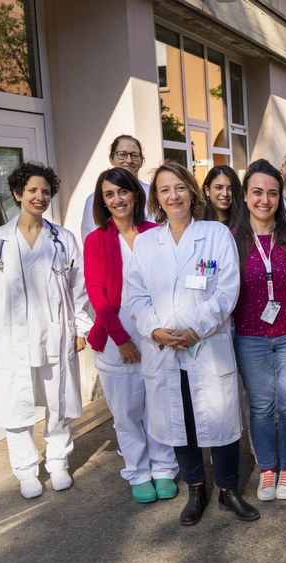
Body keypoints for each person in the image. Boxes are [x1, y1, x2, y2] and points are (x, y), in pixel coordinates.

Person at [125, 161, 259, 526]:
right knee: (178, 419)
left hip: (207, 345)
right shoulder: (147, 242)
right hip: (164, 350)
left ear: (191, 191)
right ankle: (196, 489)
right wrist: (155, 330)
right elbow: (135, 296)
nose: (173, 196)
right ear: (156, 198)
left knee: (220, 418)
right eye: (165, 190)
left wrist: (196, 328)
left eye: (179, 188)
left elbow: (228, 289)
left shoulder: (216, 234)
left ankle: (229, 491)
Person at [0, 162, 92, 499]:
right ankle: (25, 470)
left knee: (58, 402)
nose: (40, 197)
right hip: (11, 338)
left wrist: (81, 327)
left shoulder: (63, 239)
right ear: (18, 194)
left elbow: (77, 288)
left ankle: (58, 462)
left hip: (55, 333)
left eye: (46, 191)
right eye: (33, 190)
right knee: (16, 404)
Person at [84, 167, 178, 504]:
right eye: (109, 194)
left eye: (122, 192)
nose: (117, 199)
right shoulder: (96, 240)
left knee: (160, 402)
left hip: (156, 333)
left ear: (135, 195)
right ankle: (138, 472)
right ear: (103, 201)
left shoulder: (156, 233)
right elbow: (96, 295)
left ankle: (164, 467)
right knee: (126, 411)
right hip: (115, 338)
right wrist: (121, 339)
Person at [233, 159, 286, 503]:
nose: (264, 200)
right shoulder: (230, 240)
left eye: (272, 193)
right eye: (257, 192)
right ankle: (268, 467)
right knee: (262, 407)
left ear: (280, 198)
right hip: (250, 337)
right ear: (246, 196)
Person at [81, 135, 148, 240]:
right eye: (122, 155)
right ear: (111, 159)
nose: (129, 160)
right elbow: (90, 239)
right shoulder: (94, 200)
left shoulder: (154, 193)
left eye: (134, 155)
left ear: (141, 161)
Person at [202, 165, 242, 234]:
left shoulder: (243, 222)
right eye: (219, 188)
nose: (225, 194)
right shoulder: (198, 222)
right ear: (207, 190)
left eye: (230, 189)